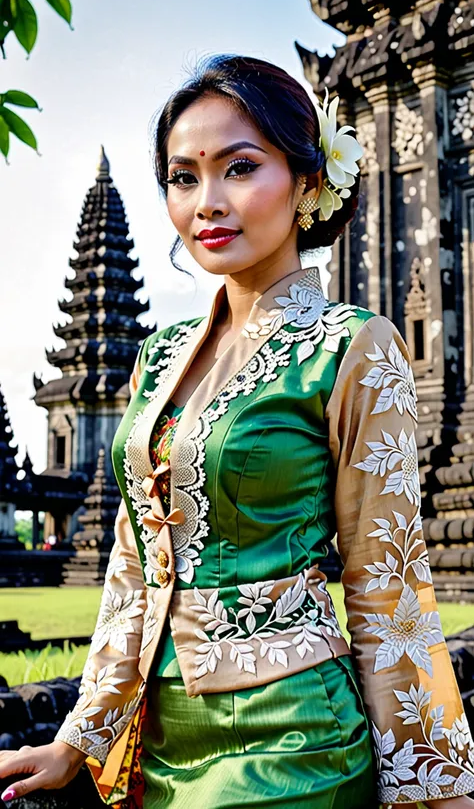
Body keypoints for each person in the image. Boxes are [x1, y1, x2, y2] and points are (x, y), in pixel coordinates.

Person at [1, 54, 474, 809]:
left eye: (239, 168)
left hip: (292, 736)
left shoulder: (352, 347)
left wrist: (436, 787)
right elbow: (131, 567)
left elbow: (388, 590)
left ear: (309, 182)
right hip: (158, 741)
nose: (206, 202)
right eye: (183, 177)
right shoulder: (157, 358)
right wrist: (78, 738)